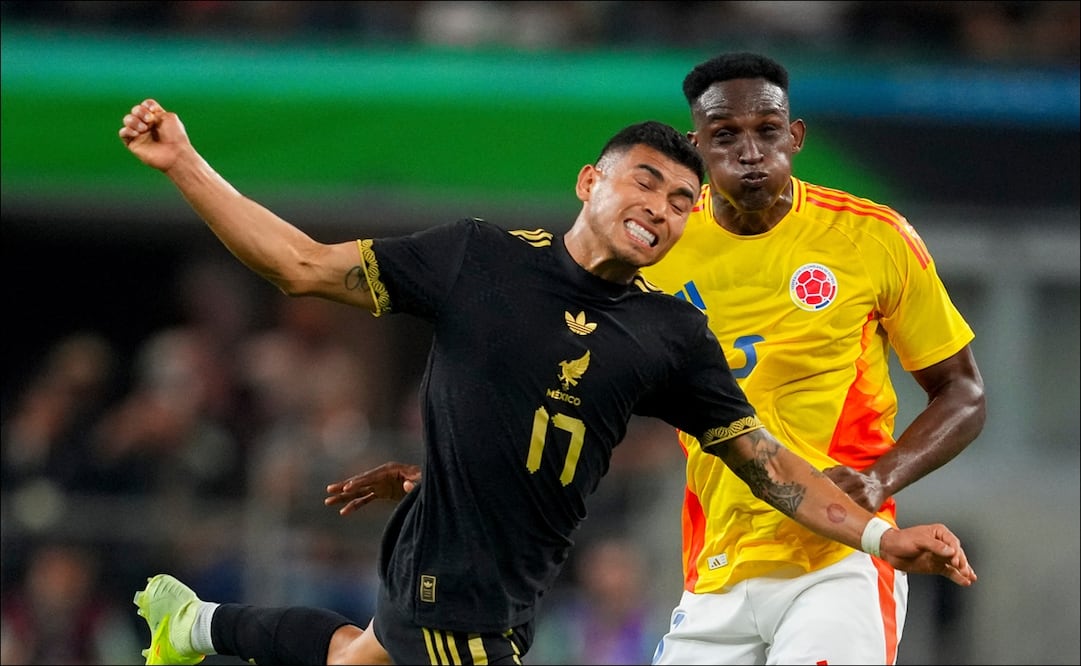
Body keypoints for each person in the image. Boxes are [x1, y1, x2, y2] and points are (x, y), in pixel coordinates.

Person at [119, 99, 976, 666]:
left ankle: (194, 624)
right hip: (457, 588)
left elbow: (767, 462)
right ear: (588, 182)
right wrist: (184, 163)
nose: (662, 208)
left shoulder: (670, 333)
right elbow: (300, 264)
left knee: (357, 657)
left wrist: (872, 537)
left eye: (683, 201)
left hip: (510, 576)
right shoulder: (475, 258)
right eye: (645, 180)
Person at [637, 52, 988, 665]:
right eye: (725, 136)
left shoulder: (873, 238)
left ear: (794, 137)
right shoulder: (659, 252)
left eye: (767, 130)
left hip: (839, 564)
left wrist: (879, 479)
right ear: (697, 148)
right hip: (714, 568)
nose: (750, 151)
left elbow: (963, 393)